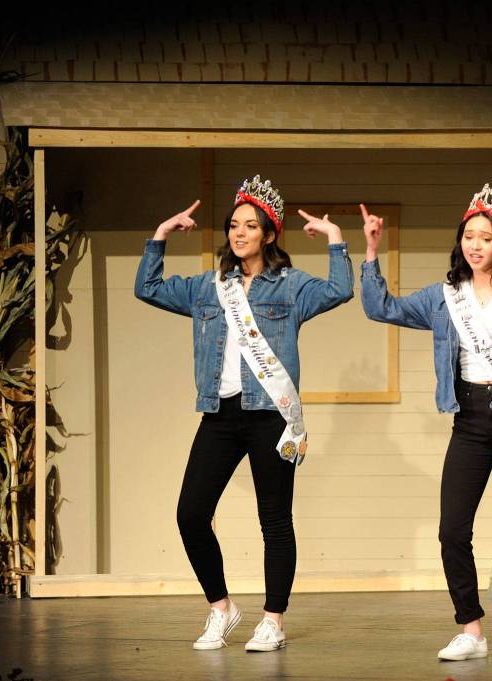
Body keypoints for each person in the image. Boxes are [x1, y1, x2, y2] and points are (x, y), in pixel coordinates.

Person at [359, 184, 492, 662]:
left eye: (486, 237)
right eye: (469, 236)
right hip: (469, 420)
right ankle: (471, 628)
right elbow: (382, 308)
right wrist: (372, 251)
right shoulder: (444, 298)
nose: (475, 245)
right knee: (452, 529)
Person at [134, 175, 354, 651]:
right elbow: (147, 287)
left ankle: (273, 621)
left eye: (250, 226)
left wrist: (336, 240)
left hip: (271, 416)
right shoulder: (207, 288)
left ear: (269, 234)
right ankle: (222, 610)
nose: (238, 234)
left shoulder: (291, 286)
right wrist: (160, 234)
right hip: (220, 414)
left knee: (274, 520)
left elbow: (340, 290)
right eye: (234, 225)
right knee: (191, 514)